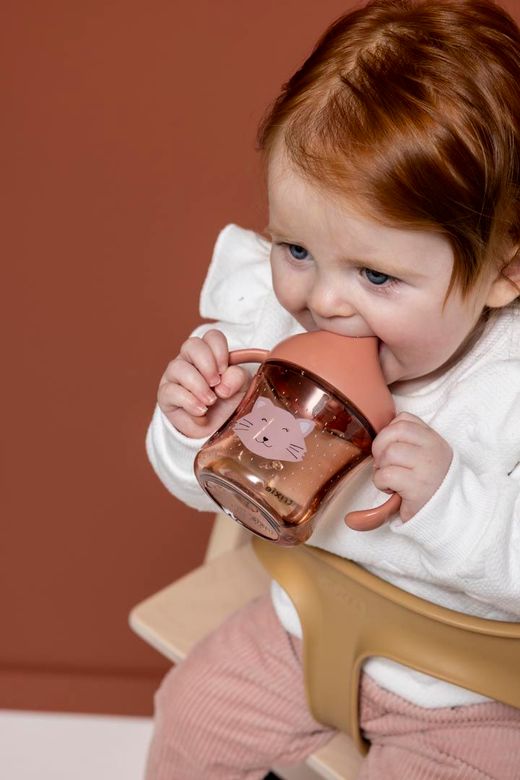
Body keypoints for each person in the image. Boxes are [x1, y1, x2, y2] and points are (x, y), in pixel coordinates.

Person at [144, 1, 520, 777]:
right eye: (298, 249)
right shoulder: (275, 342)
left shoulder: (506, 395)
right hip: (300, 633)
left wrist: (451, 499)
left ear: (502, 273)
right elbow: (219, 487)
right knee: (191, 715)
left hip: (471, 696)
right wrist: (197, 430)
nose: (324, 302)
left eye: (377, 275)